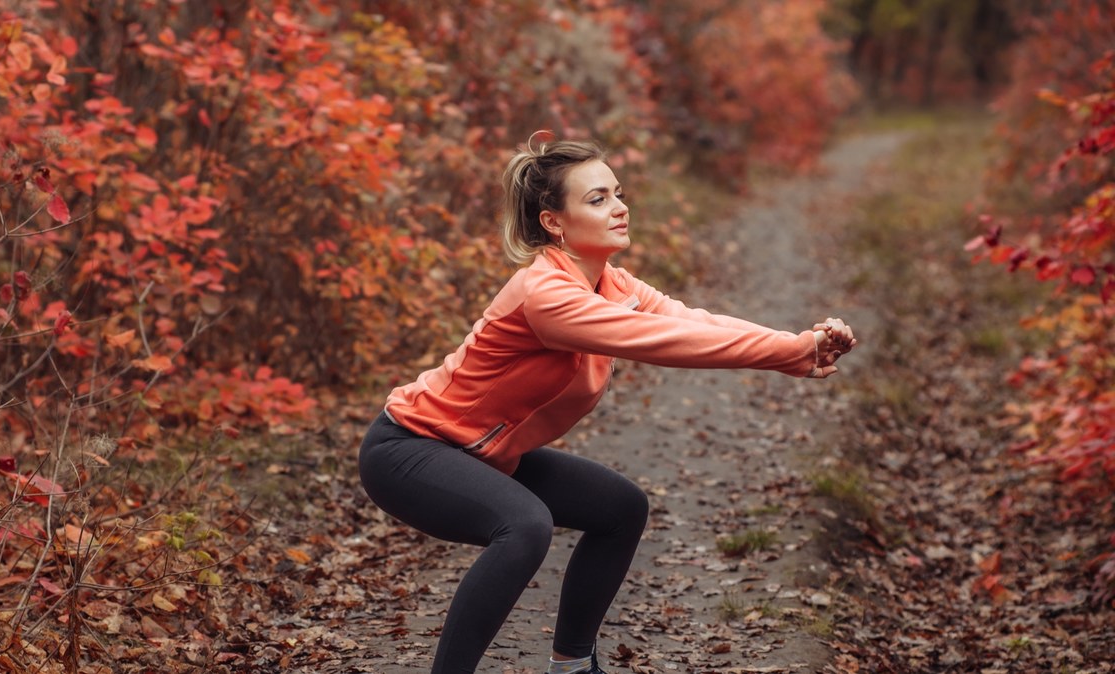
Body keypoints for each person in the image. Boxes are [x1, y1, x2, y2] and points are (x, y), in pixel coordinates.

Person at [358, 134, 857, 674]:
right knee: (525, 525)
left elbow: (691, 322)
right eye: (597, 199)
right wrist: (793, 350)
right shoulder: (546, 294)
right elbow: (669, 344)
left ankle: (573, 666)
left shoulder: (609, 283)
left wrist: (797, 345)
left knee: (619, 509)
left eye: (617, 193)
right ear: (554, 222)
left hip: (479, 452)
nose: (619, 207)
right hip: (409, 449)